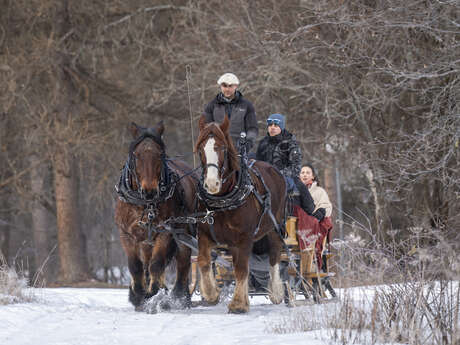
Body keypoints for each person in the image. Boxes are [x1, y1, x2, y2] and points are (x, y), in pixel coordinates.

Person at [255, 113, 325, 221]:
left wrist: (278, 175)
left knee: (300, 187)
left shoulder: (290, 142)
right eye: (270, 125)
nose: (272, 127)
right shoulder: (263, 143)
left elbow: (296, 167)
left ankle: (312, 217)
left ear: (281, 127)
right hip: (264, 178)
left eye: (276, 125)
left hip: (286, 177)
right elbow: (258, 162)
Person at [203, 73, 258, 151]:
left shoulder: (247, 105)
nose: (227, 89)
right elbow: (206, 128)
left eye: (230, 86)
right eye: (224, 86)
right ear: (220, 86)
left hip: (239, 149)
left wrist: (248, 142)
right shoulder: (211, 105)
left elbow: (252, 128)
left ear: (236, 86)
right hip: (218, 149)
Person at [299, 163, 334, 271]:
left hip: (314, 223)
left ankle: (314, 261)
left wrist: (320, 212)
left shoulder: (319, 191)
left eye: (307, 173)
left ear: (312, 176)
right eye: (302, 172)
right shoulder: (295, 190)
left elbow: (326, 206)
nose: (305, 175)